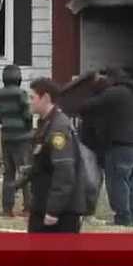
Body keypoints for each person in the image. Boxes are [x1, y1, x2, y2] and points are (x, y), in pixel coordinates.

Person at [79, 68, 133, 226]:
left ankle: (122, 218)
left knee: (117, 182)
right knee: (132, 182)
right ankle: (132, 218)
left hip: (119, 145)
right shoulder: (131, 93)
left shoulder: (114, 93)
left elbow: (86, 106)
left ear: (111, 78)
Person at [23, 78, 84, 233]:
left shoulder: (58, 128)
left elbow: (64, 170)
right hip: (43, 204)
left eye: (32, 97)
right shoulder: (46, 124)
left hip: (61, 213)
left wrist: (53, 210)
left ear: (46, 98)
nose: (29, 102)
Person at [0, 64, 33, 217]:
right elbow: (28, 115)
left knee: (8, 173)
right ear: (19, 78)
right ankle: (28, 206)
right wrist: (29, 129)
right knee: (25, 172)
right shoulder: (21, 93)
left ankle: (7, 208)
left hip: (6, 136)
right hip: (22, 137)